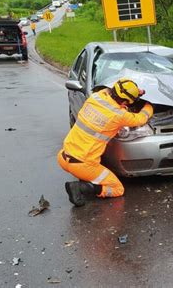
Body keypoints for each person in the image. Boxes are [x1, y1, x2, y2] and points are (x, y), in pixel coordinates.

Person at [57, 78, 153, 207]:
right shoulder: (118, 115)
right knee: (118, 189)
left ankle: (85, 179)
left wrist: (135, 93)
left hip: (64, 156)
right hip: (83, 164)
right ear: (125, 101)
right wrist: (149, 105)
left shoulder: (96, 97)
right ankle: (82, 188)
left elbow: (112, 92)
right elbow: (141, 118)